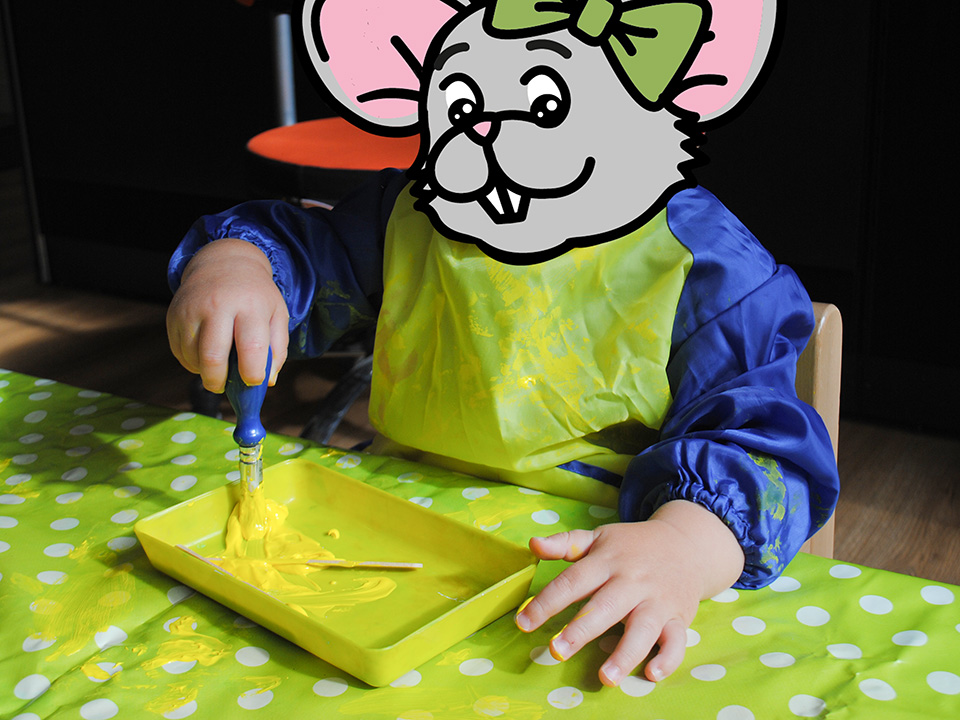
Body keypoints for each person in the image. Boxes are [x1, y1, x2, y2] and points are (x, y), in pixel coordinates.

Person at [166, 167, 840, 688]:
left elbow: (762, 440)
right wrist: (239, 263)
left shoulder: (699, 254)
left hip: (612, 572)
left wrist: (687, 546)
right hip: (396, 540)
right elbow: (315, 252)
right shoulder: (415, 208)